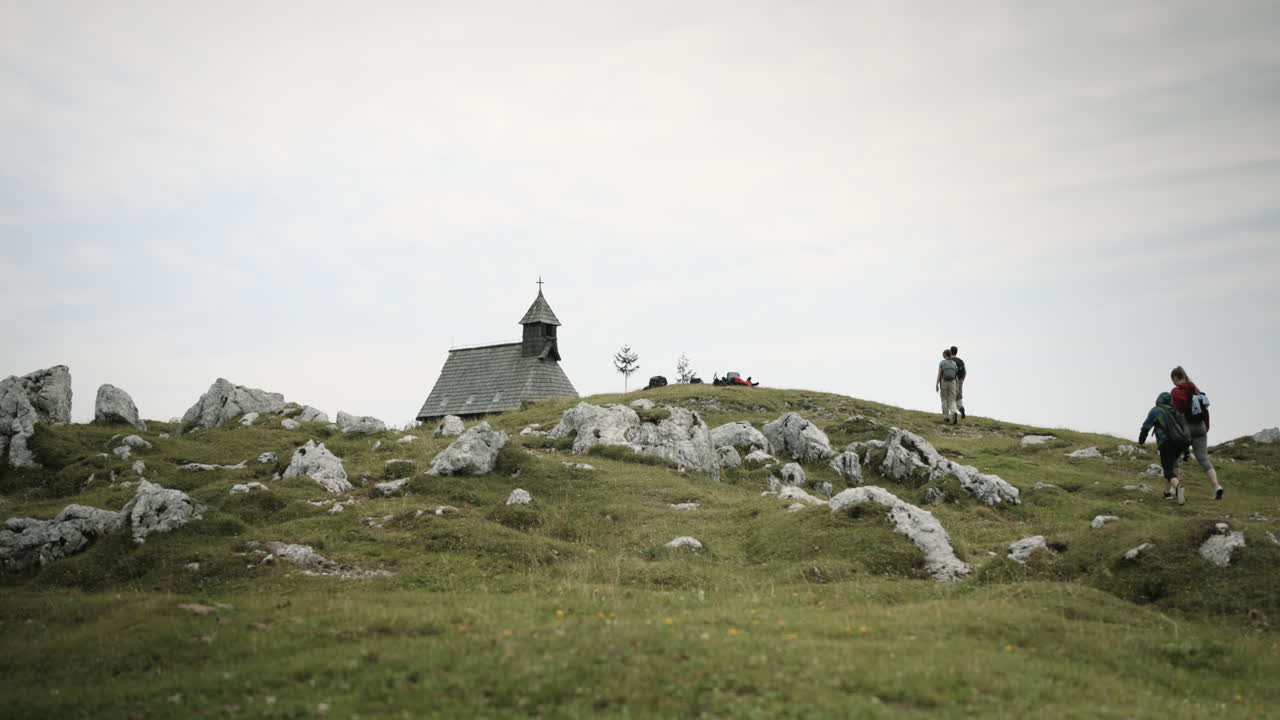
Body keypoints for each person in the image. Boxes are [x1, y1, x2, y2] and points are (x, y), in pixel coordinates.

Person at [1169, 366, 1223, 500]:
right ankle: (1216, 486)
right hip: (1201, 428)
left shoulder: (1176, 392)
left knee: (1174, 458)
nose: (1173, 383)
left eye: (1173, 380)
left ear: (1176, 378)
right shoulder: (1196, 390)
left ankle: (1175, 488)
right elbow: (1205, 411)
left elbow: (1177, 413)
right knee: (1203, 459)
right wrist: (1205, 428)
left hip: (1186, 428)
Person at [1139, 391, 1190, 504]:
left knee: (1167, 471)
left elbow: (1146, 426)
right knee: (1173, 465)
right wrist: (1186, 451)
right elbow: (1185, 431)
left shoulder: (1156, 410)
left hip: (1165, 443)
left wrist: (1141, 440)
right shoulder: (1176, 411)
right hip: (1179, 444)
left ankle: (1177, 487)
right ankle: (1169, 492)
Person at [935, 349, 960, 424]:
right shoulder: (954, 363)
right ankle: (954, 412)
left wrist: (937, 384)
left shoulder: (942, 363)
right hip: (953, 383)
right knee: (952, 400)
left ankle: (946, 417)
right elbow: (956, 376)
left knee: (944, 399)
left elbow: (939, 374)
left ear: (945, 355)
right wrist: (957, 386)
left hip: (944, 382)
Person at [950, 345, 966, 419]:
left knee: (951, 397)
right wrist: (962, 380)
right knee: (958, 396)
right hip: (960, 381)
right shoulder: (960, 361)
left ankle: (954, 413)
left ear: (950, 351)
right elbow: (965, 371)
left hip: (951, 381)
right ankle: (961, 408)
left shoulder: (949, 361)